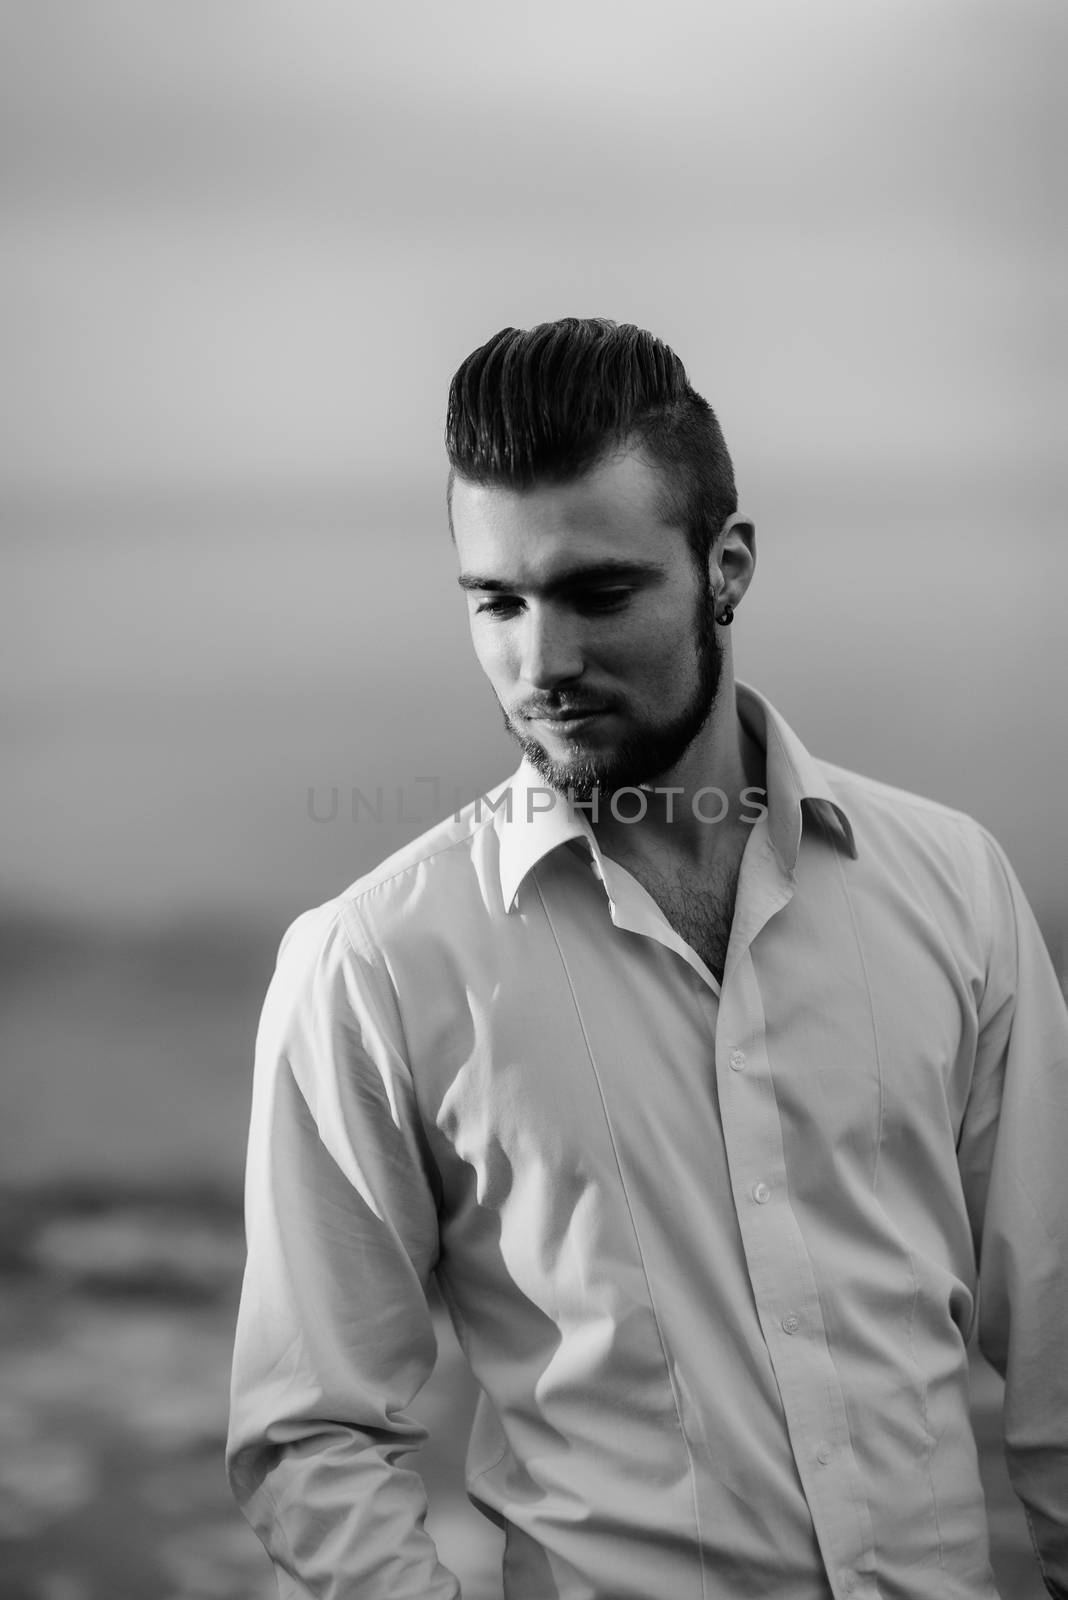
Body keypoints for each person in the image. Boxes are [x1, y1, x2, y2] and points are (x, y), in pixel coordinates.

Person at [226, 318, 1068, 1600]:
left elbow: (1058, 1336)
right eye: (496, 602)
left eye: (598, 594)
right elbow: (313, 1431)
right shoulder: (375, 963)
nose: (540, 662)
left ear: (726, 566)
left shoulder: (952, 887)